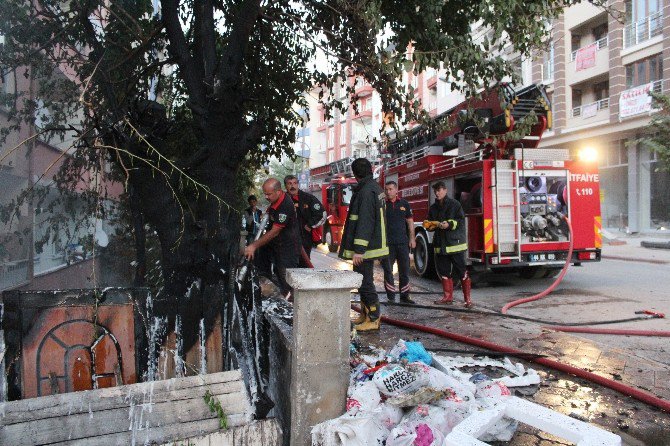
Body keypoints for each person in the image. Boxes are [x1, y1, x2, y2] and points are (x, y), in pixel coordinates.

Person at [339, 158, 389, 331]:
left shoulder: (366, 191)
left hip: (366, 248)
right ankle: (366, 314)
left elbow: (365, 221)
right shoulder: (374, 188)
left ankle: (374, 318)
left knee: (365, 282)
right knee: (362, 281)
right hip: (371, 245)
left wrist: (359, 250)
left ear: (355, 174)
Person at [244, 178, 301, 301]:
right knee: (275, 276)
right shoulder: (275, 203)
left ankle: (292, 309)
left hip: (287, 249)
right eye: (264, 194)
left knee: (287, 281)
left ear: (278, 191)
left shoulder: (285, 205)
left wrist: (253, 246)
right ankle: (277, 298)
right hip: (277, 247)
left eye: (268, 194)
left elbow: (275, 231)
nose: (266, 197)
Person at [424, 181, 472, 307]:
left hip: (455, 245)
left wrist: (449, 224)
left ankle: (468, 300)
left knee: (462, 272)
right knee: (444, 272)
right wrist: (429, 226)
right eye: (435, 191)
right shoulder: (433, 208)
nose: (437, 193)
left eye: (439, 190)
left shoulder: (455, 205)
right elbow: (430, 224)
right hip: (441, 246)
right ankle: (447, 297)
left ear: (445, 190)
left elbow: (460, 221)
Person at [381, 181, 416, 304]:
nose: (388, 191)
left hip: (402, 243)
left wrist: (412, 239)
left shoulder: (404, 204)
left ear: (396, 190)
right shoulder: (382, 205)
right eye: (386, 189)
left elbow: (410, 222)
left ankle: (404, 296)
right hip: (388, 244)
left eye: (390, 189)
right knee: (388, 271)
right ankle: (391, 296)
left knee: (404, 270)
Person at [284, 175, 327, 265]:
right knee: (287, 266)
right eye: (289, 184)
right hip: (286, 240)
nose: (292, 186)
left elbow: (322, 214)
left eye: (295, 183)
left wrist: (310, 224)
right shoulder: (282, 200)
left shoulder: (308, 198)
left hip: (304, 239)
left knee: (303, 266)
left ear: (298, 184)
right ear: (285, 186)